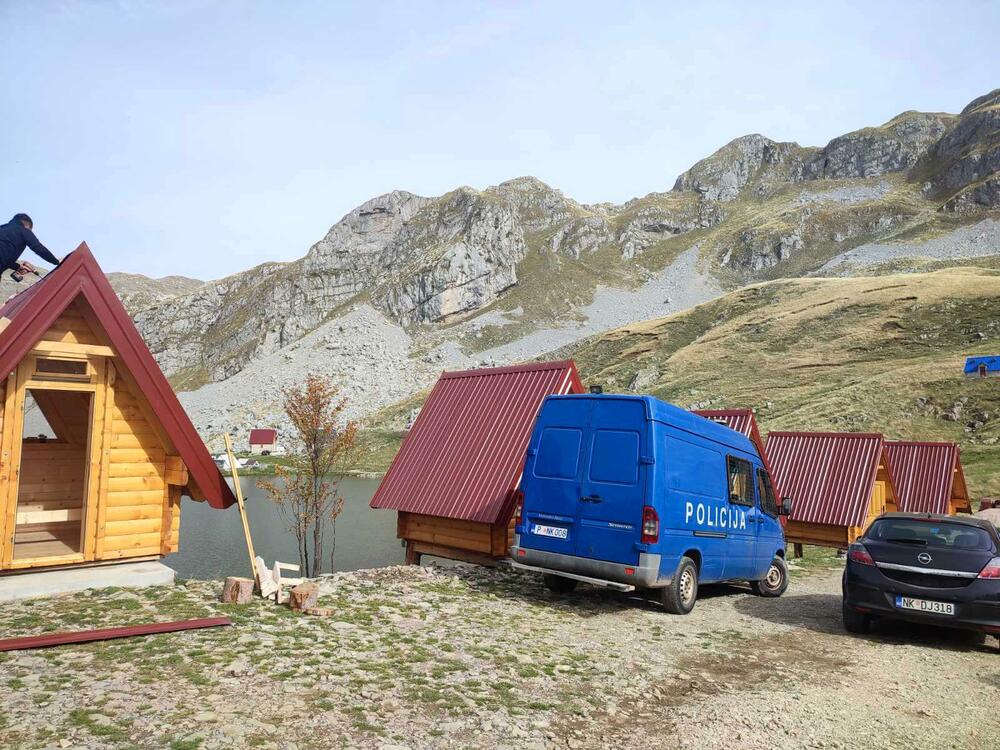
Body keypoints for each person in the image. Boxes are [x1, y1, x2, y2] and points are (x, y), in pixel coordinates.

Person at [0, 214, 61, 282]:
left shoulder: (2, 227)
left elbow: (5, 258)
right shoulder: (23, 230)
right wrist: (57, 262)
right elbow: (38, 248)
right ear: (27, 225)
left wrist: (18, 267)